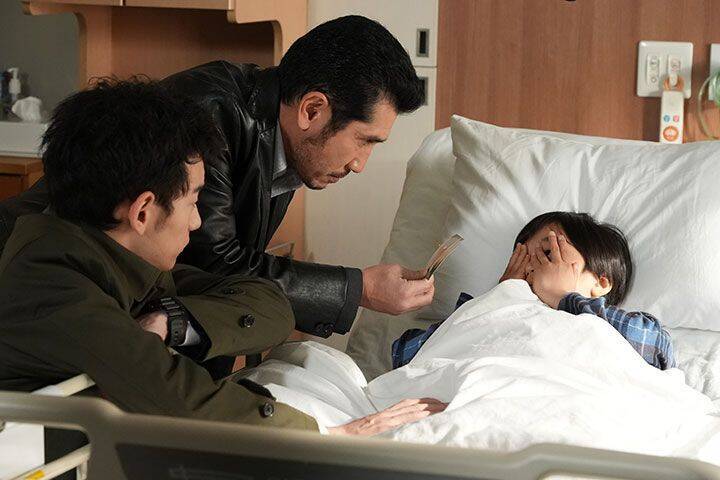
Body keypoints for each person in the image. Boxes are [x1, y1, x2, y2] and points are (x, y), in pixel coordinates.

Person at [0, 79, 445, 435]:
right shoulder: (56, 286)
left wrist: (172, 322)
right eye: (193, 201)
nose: (197, 222)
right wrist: (328, 434)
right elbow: (179, 399)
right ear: (142, 211)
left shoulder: (117, 260)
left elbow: (269, 302)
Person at [0, 16, 435, 359]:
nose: (360, 164)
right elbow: (211, 263)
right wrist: (358, 289)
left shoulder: (289, 140)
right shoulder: (211, 113)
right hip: (32, 292)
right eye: (364, 141)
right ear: (312, 110)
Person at [392, 212, 676, 371]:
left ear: (601, 282)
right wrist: (496, 297)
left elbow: (656, 347)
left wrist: (563, 297)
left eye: (548, 254)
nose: (531, 267)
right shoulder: (490, 310)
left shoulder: (620, 327)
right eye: (522, 258)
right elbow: (406, 357)